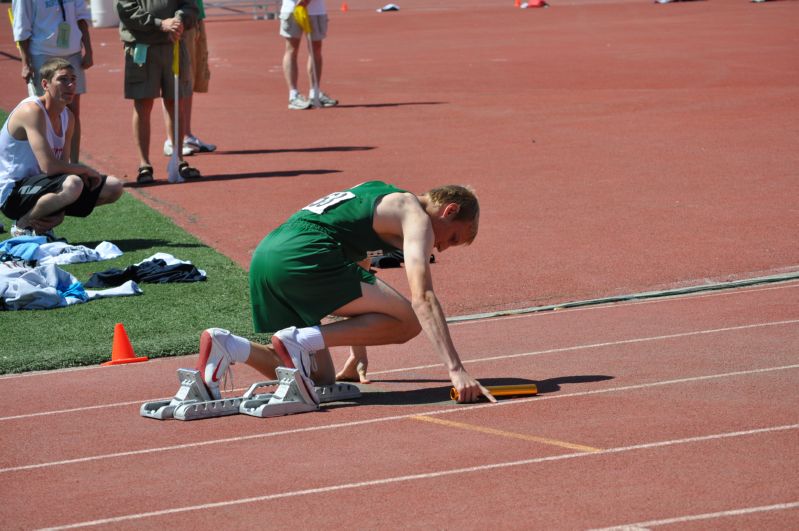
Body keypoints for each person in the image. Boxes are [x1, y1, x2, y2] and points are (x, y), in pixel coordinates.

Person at [195, 181, 495, 404]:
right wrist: (456, 370)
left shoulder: (377, 194)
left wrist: (357, 353)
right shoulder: (415, 217)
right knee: (408, 321)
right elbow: (423, 297)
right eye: (452, 237)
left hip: (268, 256)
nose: (442, 247)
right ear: (450, 210)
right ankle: (301, 340)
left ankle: (229, 346)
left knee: (315, 381)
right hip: (306, 255)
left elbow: (360, 266)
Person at [0, 58, 123, 238]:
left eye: (73, 79)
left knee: (114, 187)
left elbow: (61, 170)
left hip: (41, 186)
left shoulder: (68, 118)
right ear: (45, 84)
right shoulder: (31, 111)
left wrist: (60, 211)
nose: (71, 84)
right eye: (63, 79)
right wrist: (84, 169)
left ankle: (43, 220)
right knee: (74, 183)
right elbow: (49, 166)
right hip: (12, 193)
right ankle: (23, 225)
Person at [117, 0, 202, 184]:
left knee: (175, 101)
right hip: (141, 47)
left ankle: (178, 159)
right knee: (143, 103)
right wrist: (160, 24)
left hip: (174, 46)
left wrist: (179, 21)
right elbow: (126, 10)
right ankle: (144, 165)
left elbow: (191, 6)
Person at [12, 0, 94, 164]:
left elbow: (81, 17)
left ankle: (73, 163)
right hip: (42, 53)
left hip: (72, 52)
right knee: (45, 113)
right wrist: (25, 63)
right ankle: (46, 164)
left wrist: (89, 50)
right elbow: (22, 24)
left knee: (72, 112)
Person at [162, 0, 215, 157]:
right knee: (173, 81)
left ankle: (186, 134)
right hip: (175, 19)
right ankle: (171, 140)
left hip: (194, 15)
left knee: (189, 79)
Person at [279, 0, 338, 110]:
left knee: (316, 49)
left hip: (316, 11)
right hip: (293, 9)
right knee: (292, 49)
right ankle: (293, 95)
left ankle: (314, 92)